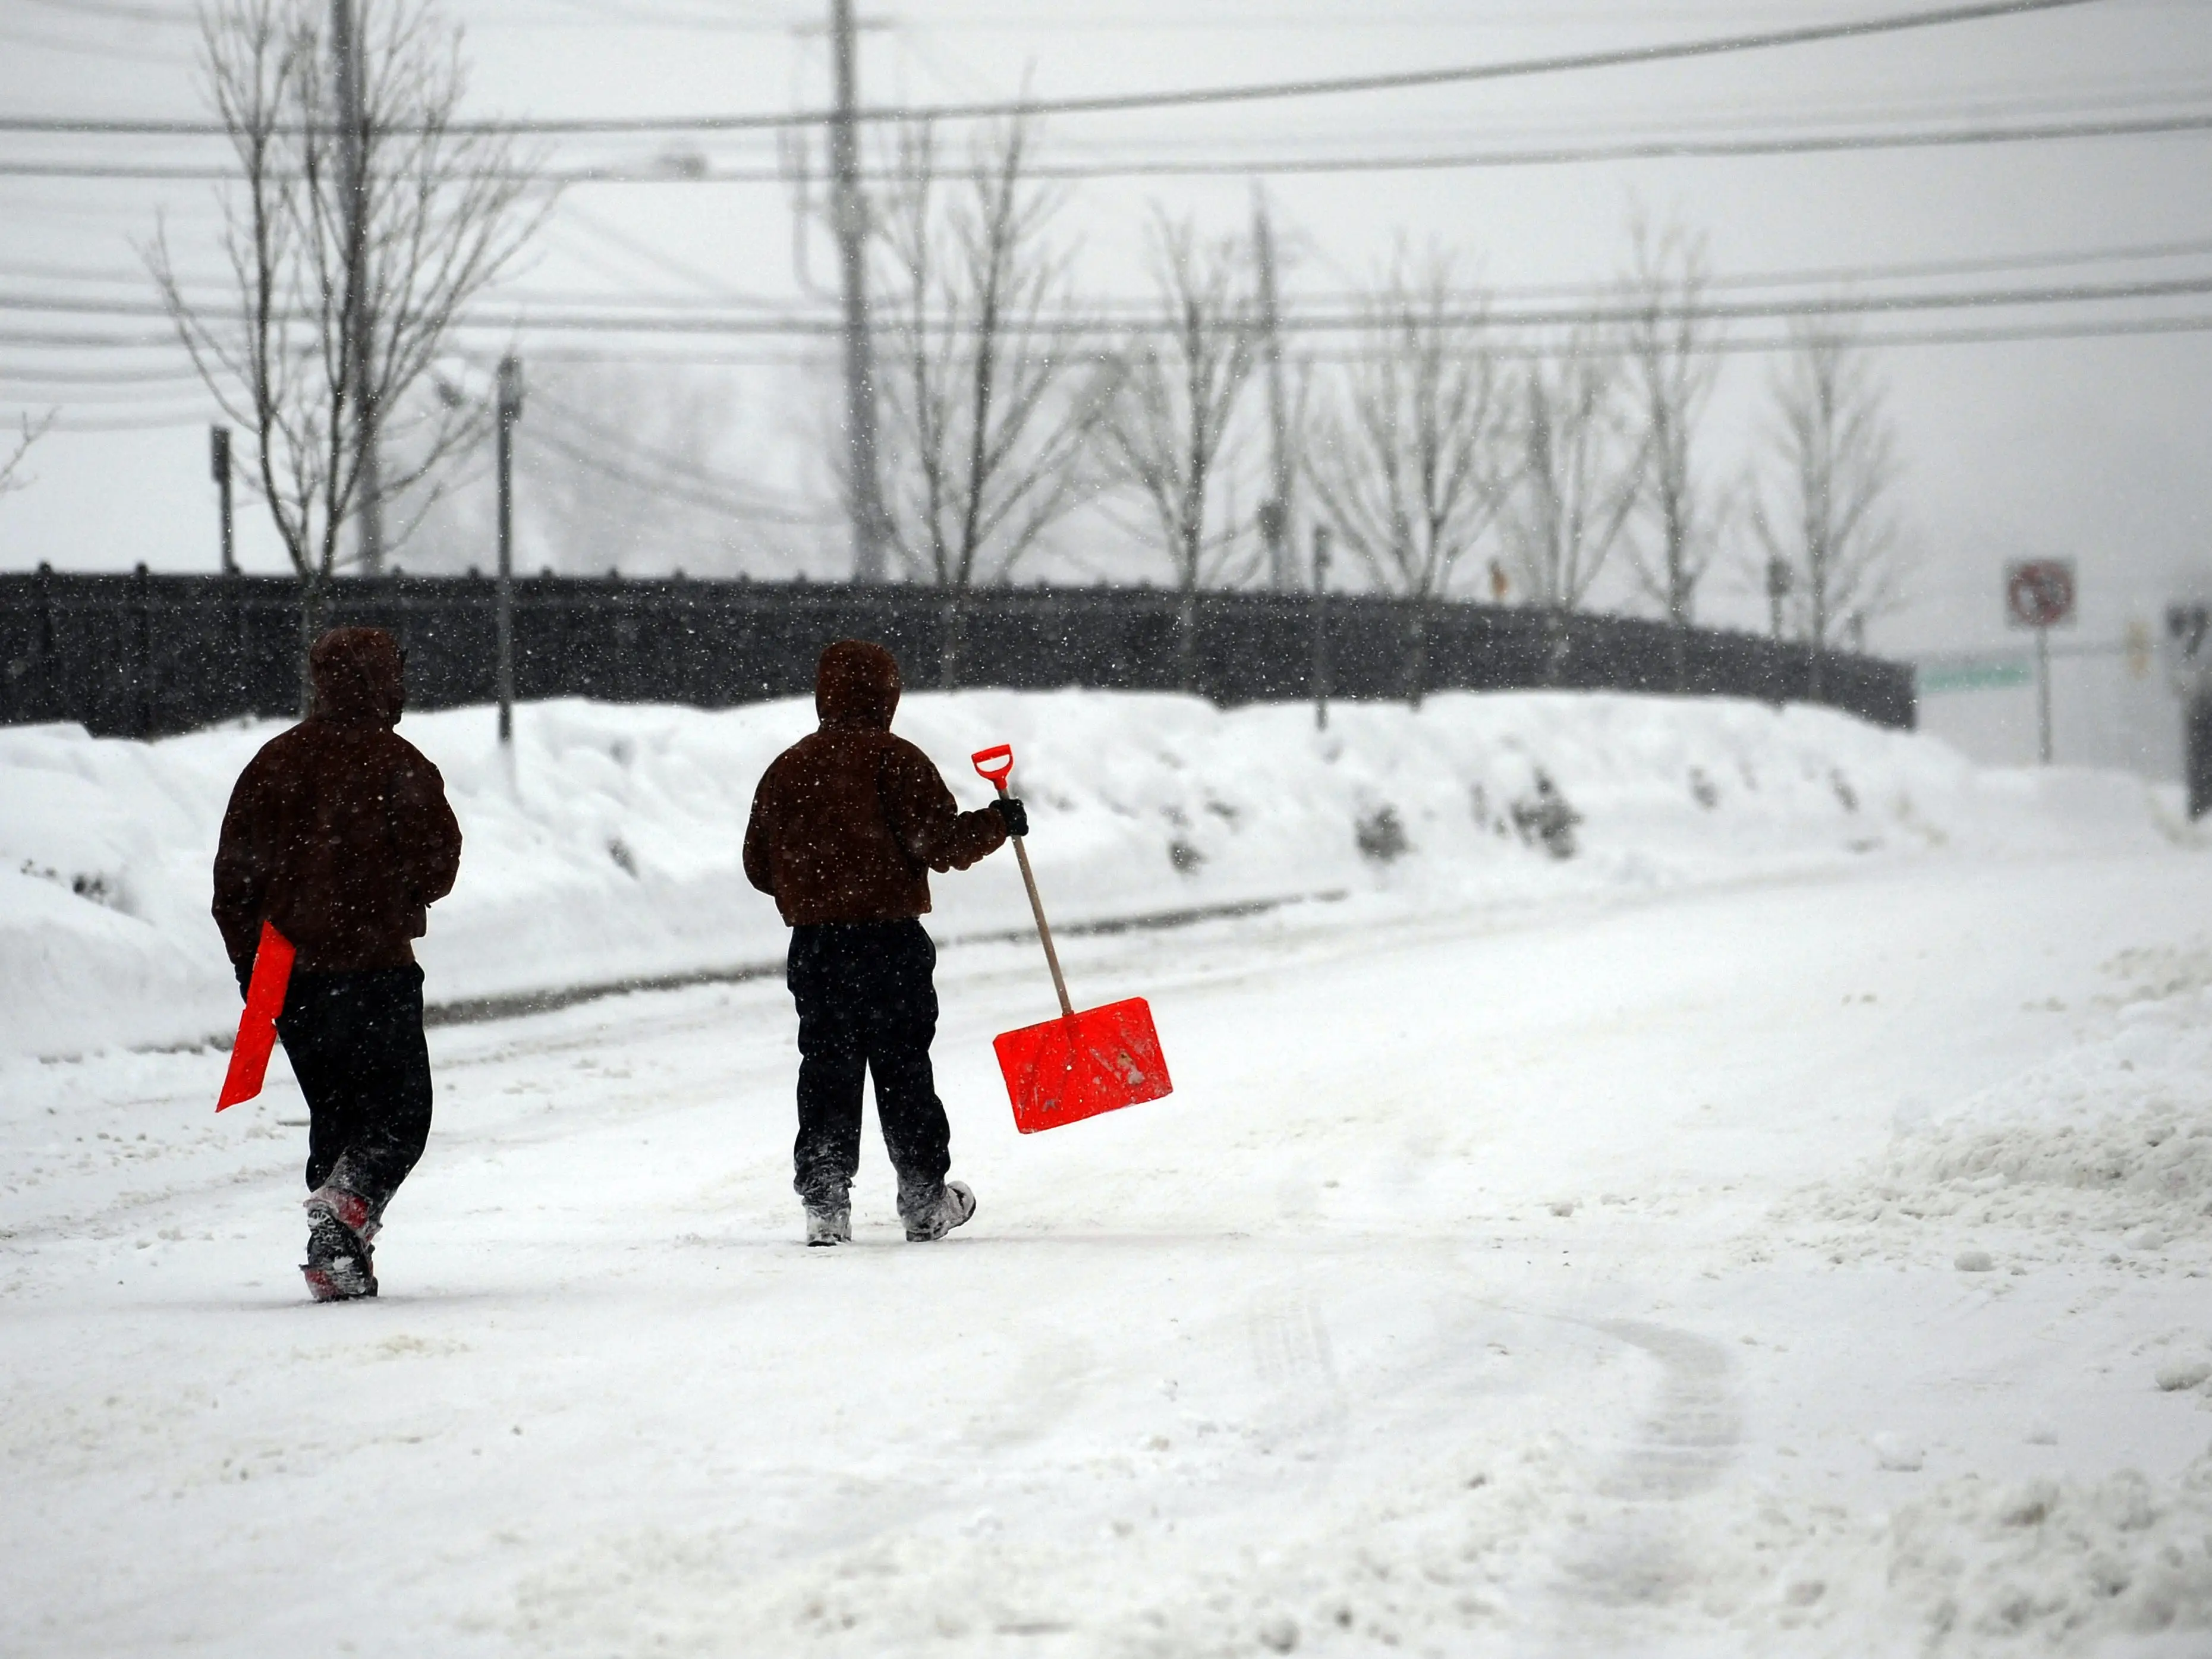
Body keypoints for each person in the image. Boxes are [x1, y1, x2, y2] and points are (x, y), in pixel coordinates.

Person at [744, 639, 1027, 1246]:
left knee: (826, 1066)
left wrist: (815, 888)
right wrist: (998, 823)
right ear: (886, 694)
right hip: (890, 943)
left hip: (817, 947)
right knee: (902, 1067)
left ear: (824, 693)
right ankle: (925, 1199)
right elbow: (940, 843)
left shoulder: (789, 767)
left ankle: (825, 1200)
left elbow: (757, 865)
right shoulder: (896, 759)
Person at [212, 627, 462, 1302]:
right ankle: (343, 1213)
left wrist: (253, 966)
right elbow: (438, 868)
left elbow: (233, 881)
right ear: (382, 679)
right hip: (374, 964)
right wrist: (389, 890)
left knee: (335, 1110)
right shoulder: (397, 764)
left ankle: (336, 1252)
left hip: (284, 973)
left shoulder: (272, 763)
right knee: (401, 1113)